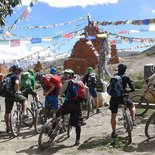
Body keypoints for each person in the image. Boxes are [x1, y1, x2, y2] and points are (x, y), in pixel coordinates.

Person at [109, 63, 136, 138]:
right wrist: (129, 90)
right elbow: (132, 89)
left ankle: (114, 132)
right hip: (123, 97)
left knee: (113, 115)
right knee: (132, 106)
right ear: (125, 70)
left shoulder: (114, 76)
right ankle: (133, 120)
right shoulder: (126, 77)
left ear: (118, 69)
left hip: (114, 98)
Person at [58, 69, 84, 145]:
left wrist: (59, 97)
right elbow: (85, 92)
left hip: (68, 104)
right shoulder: (80, 82)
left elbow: (61, 93)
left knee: (57, 114)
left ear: (69, 76)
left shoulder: (67, 82)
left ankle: (51, 131)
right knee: (78, 123)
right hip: (77, 105)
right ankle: (78, 140)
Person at [4, 65, 28, 133]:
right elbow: (17, 83)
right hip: (13, 94)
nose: (19, 72)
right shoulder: (15, 76)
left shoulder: (7, 76)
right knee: (24, 100)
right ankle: (24, 113)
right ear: (17, 71)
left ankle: (7, 127)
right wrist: (16, 91)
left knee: (7, 112)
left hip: (7, 95)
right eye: (19, 71)